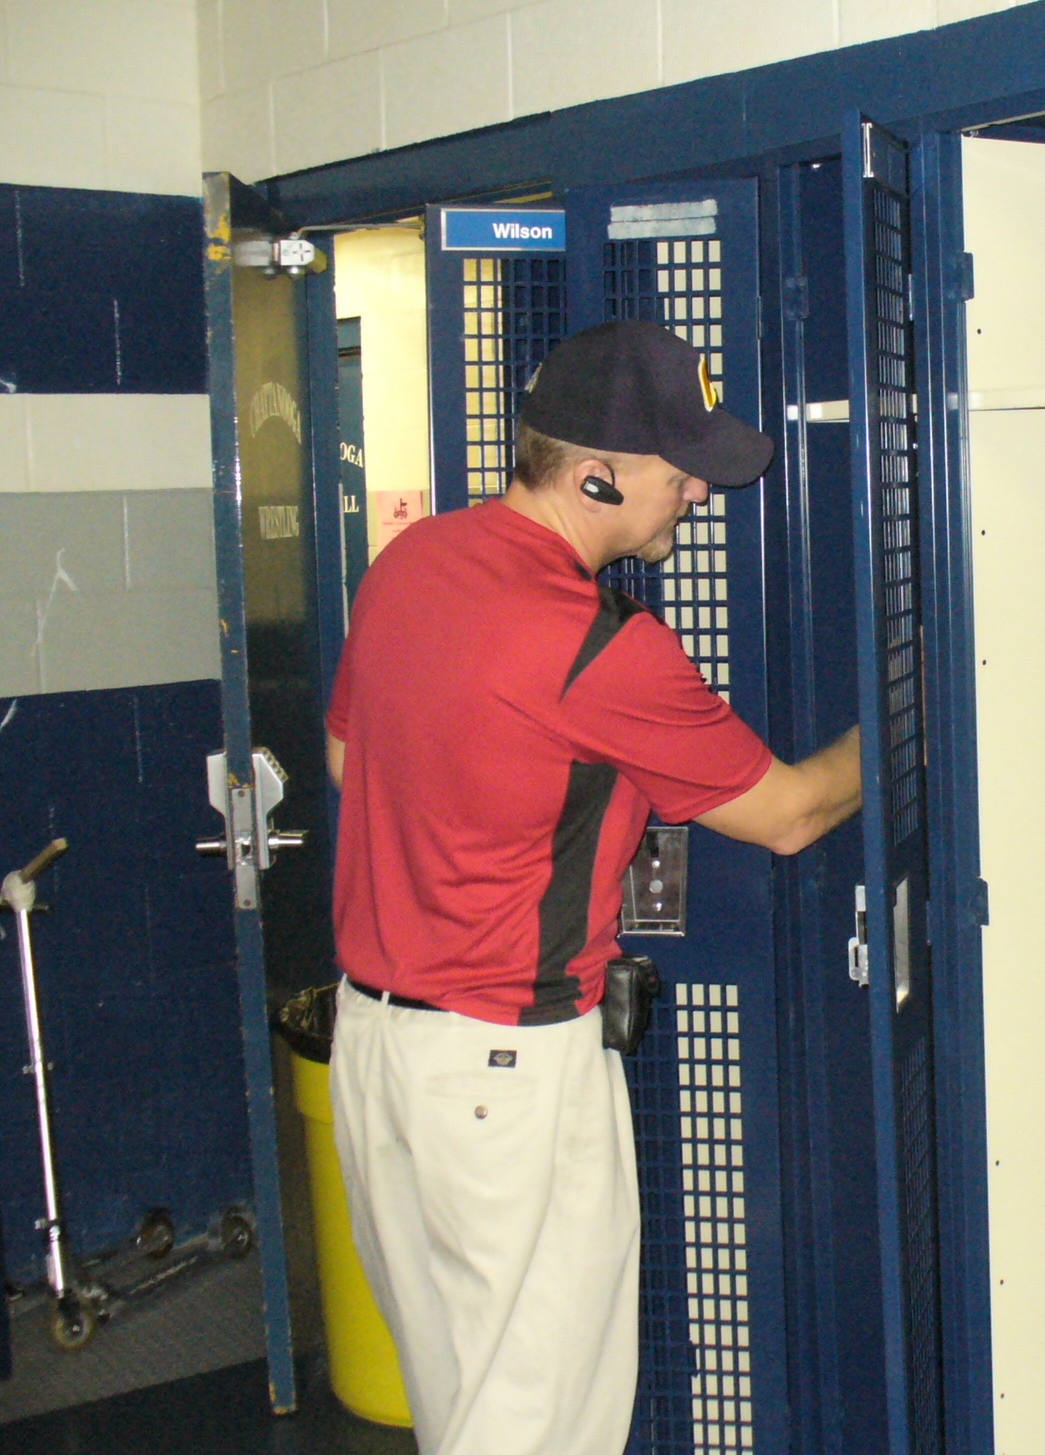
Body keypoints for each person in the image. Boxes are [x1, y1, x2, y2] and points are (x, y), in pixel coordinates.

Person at [322, 319, 862, 1455]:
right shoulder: (594, 642)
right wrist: (926, 706)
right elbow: (791, 813)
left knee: (465, 1404)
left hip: (377, 1057)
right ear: (597, 473)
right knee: (537, 1423)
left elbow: (342, 757)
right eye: (682, 476)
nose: (695, 499)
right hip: (504, 1073)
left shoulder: (408, 566)